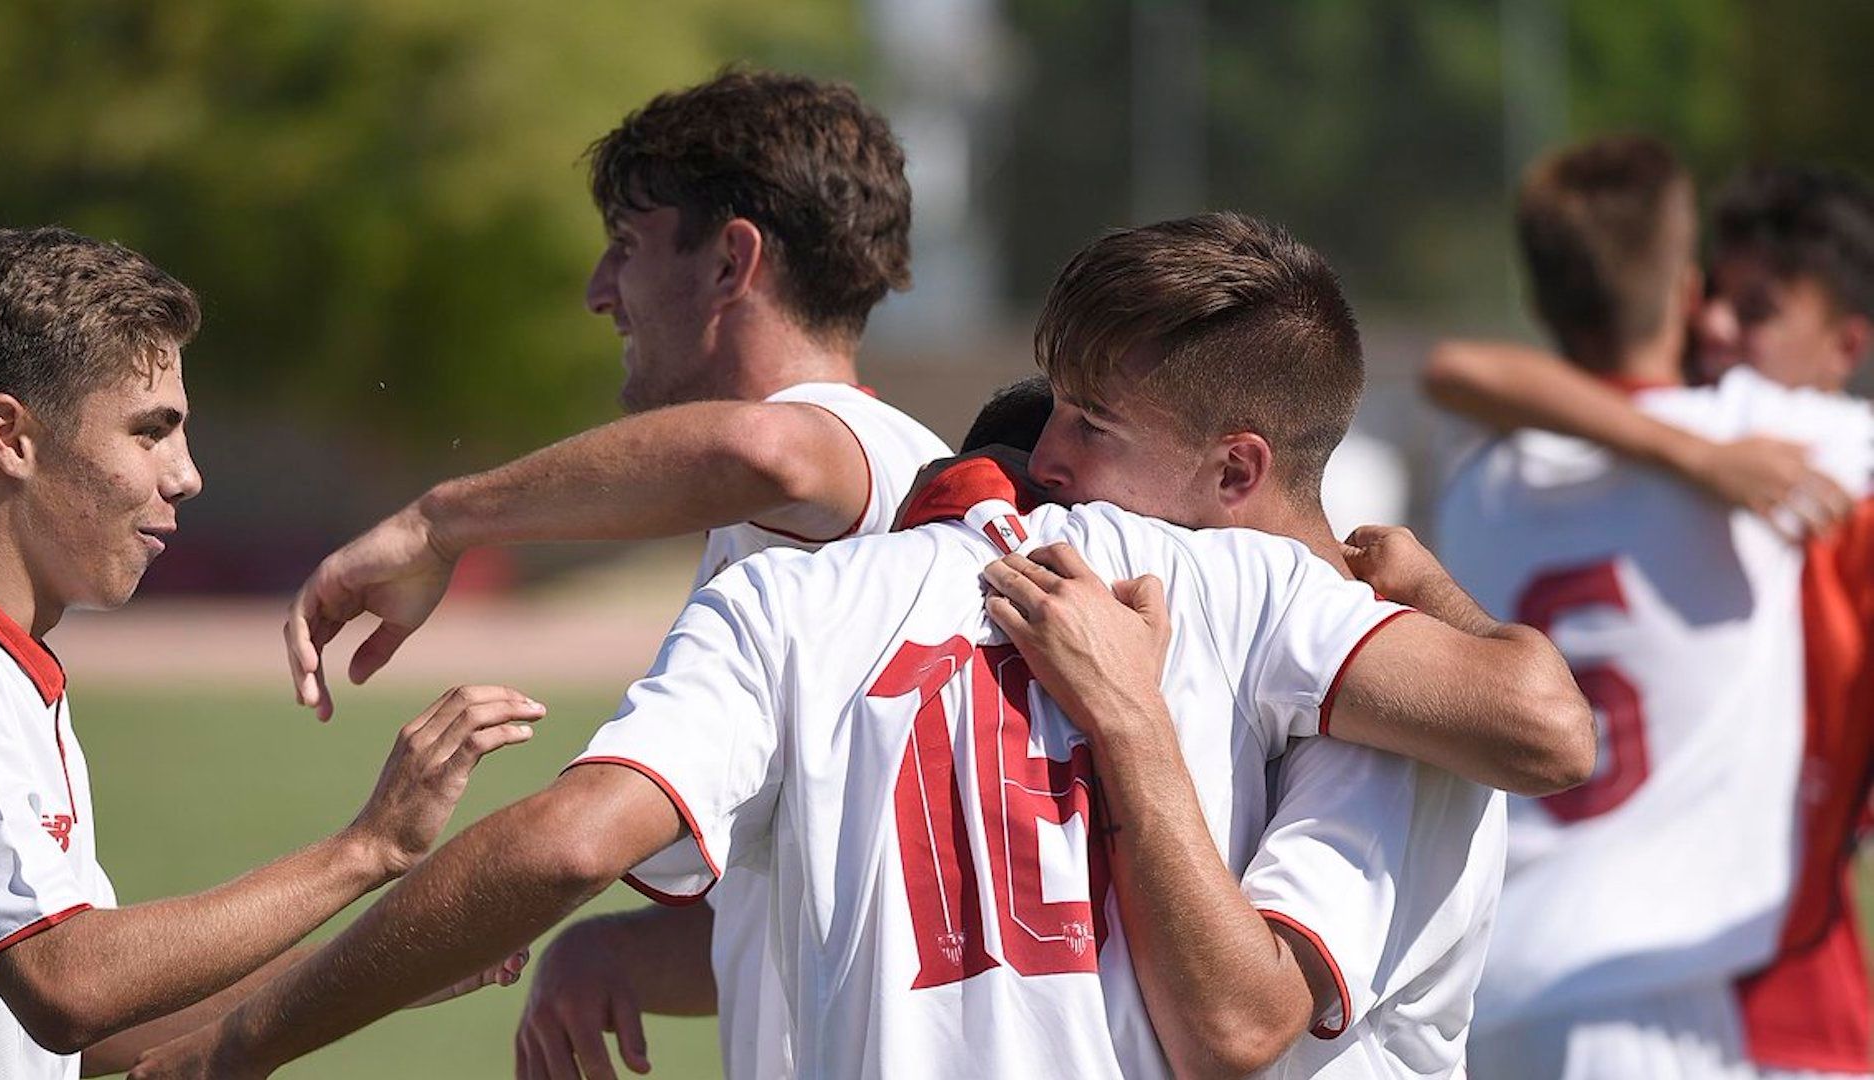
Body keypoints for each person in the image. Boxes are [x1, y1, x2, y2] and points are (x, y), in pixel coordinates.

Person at [129, 212, 1589, 1079]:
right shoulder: (1235, 600)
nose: (1058, 460)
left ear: (1235, 468)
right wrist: (614, 953)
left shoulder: (822, 598)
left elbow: (1238, 1019)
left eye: (1092, 424)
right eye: (1054, 422)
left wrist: (249, 1037)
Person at [282, 69, 949, 1079]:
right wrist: (607, 953)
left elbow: (764, 450)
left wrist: (439, 524)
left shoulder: (864, 455)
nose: (601, 290)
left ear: (730, 262)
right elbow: (824, 909)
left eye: (628, 247)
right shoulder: (813, 526)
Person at [0, 228, 539, 1080]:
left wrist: (379, 965)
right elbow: (68, 988)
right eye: (150, 431)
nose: (186, 474)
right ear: (11, 437)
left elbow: (83, 1031)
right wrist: (369, 847)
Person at [1429, 139, 1874, 1078]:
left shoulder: (1477, 483)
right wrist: (1702, 459)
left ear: (1541, 303)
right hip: (1646, 978)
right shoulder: (1755, 435)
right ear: (1686, 292)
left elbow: (1457, 368)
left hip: (1489, 992)